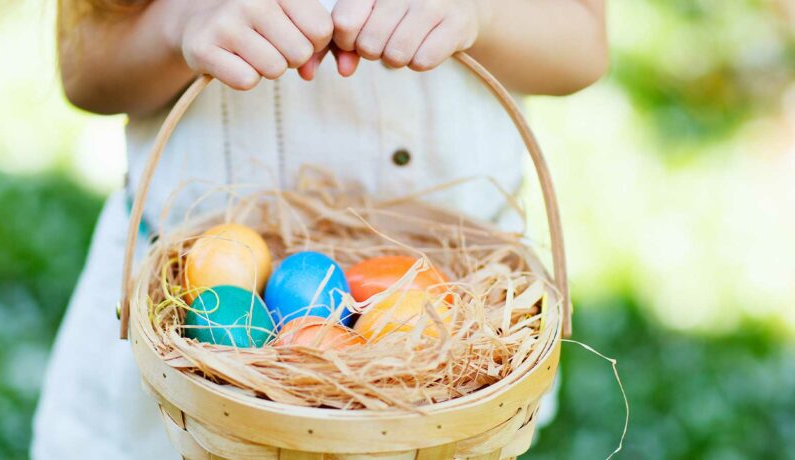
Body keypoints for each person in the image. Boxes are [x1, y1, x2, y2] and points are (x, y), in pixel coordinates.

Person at [32, 0, 607, 458]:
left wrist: (481, 13)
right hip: (183, 365)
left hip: (450, 362)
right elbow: (86, 68)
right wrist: (179, 23)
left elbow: (582, 44)